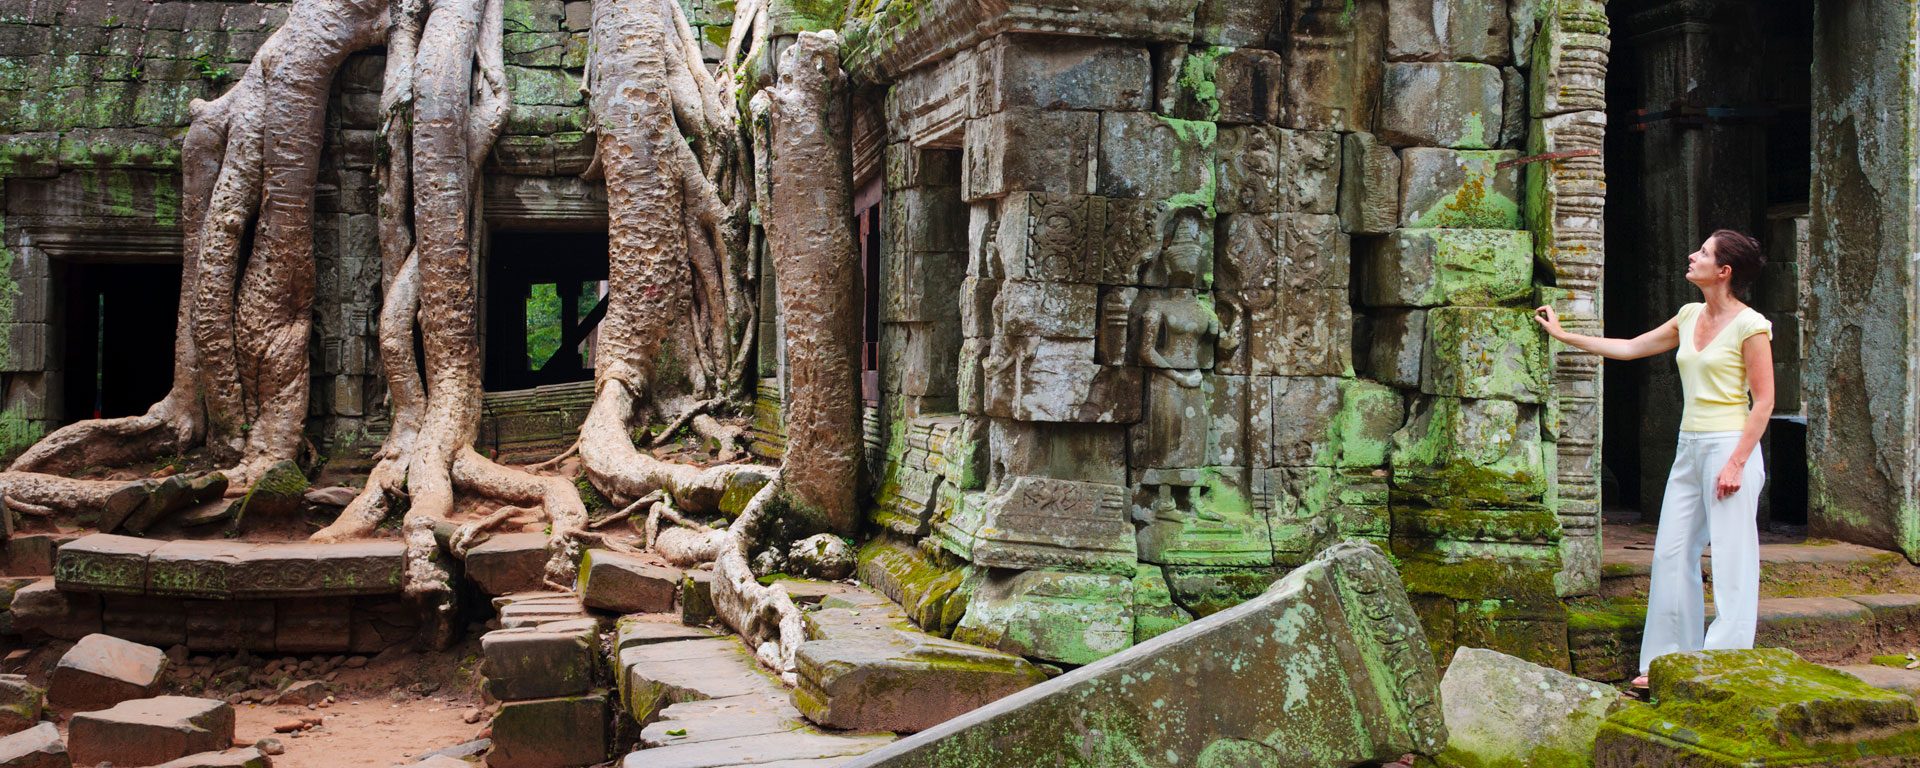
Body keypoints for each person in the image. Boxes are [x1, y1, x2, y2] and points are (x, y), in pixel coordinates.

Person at [1533, 229, 1774, 688]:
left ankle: (1721, 666)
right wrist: (1564, 335)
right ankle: (1666, 664)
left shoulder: (1752, 325)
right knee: (1671, 551)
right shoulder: (1688, 315)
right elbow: (1629, 348)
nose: (1692, 255)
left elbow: (1763, 402)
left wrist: (1737, 463)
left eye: (1702, 253)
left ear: (1724, 271)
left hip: (1730, 446)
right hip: (1690, 447)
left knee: (1732, 555)